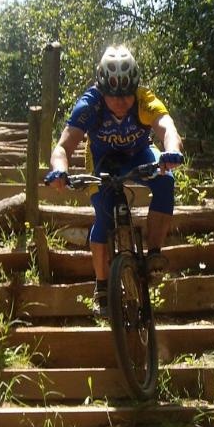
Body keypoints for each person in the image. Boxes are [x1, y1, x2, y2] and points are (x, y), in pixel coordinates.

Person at [47, 46, 184, 316]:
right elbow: (63, 147)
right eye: (113, 95)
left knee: (166, 181)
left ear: (135, 88)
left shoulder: (144, 99)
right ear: (102, 89)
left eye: (126, 94)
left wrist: (173, 151)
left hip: (138, 154)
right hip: (102, 160)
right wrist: (59, 170)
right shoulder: (90, 105)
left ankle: (154, 253)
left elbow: (167, 128)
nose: (120, 101)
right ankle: (101, 287)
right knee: (104, 216)